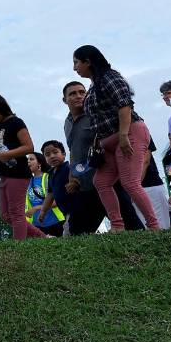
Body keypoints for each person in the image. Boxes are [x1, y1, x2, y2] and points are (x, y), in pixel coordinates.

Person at [72, 45, 160, 230]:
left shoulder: (110, 77)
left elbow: (125, 104)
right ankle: (117, 226)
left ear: (88, 61)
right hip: (107, 140)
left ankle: (154, 225)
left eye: (76, 62)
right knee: (101, 181)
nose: (75, 68)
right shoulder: (94, 84)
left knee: (130, 183)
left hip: (128, 133)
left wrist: (123, 135)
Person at [62, 80, 141, 234]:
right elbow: (73, 151)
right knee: (77, 233)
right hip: (85, 186)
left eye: (82, 92)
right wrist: (72, 177)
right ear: (65, 100)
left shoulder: (96, 115)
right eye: (73, 94)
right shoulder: (67, 122)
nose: (78, 96)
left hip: (109, 180)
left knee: (133, 228)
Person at [0, 91, 46, 240]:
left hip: (18, 174)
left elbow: (29, 147)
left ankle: (18, 246)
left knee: (16, 212)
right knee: (6, 215)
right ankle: (43, 237)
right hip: (4, 175)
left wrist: (7, 155)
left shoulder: (16, 122)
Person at [24, 152, 63, 237]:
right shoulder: (28, 181)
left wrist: (36, 208)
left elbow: (56, 202)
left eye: (31, 159)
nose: (28, 162)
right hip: (36, 226)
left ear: (39, 163)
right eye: (27, 160)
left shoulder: (48, 178)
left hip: (55, 223)